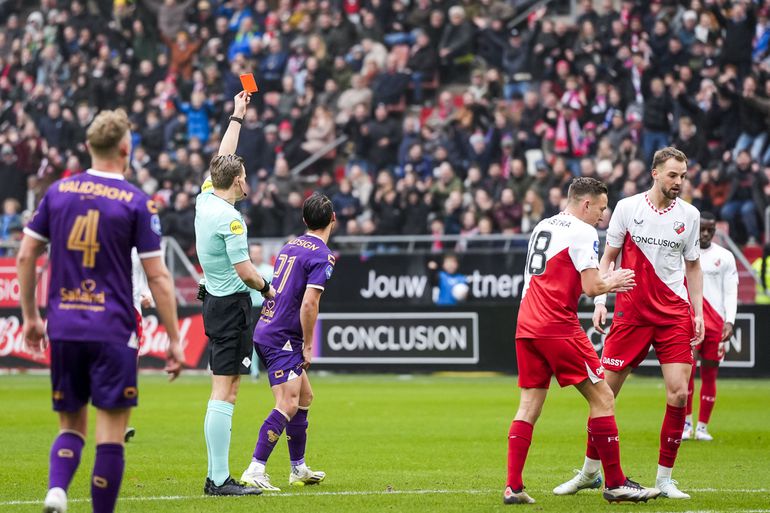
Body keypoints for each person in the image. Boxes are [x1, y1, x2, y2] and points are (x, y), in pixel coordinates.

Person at [17, 109, 185, 513]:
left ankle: (57, 491)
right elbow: (159, 277)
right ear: (126, 148)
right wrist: (175, 338)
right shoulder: (137, 202)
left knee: (71, 425)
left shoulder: (57, 193)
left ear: (89, 146)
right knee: (110, 433)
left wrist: (31, 317)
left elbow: (26, 255)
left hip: (65, 325)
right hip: (113, 328)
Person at [554, 147, 703, 500]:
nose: (678, 182)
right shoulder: (627, 208)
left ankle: (665, 479)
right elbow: (607, 257)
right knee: (604, 394)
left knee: (679, 392)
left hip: (673, 314)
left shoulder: (690, 215)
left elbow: (693, 267)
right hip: (631, 315)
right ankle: (590, 472)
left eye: (682, 176)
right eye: (672, 175)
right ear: (654, 173)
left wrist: (696, 311)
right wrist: (601, 301)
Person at [505, 177, 659, 505]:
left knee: (528, 406)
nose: (603, 216)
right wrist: (612, 281)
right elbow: (591, 287)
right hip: (556, 325)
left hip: (526, 324)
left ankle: (513, 487)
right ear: (586, 204)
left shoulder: (543, 225)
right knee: (603, 397)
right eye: (601, 208)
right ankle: (616, 483)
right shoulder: (583, 231)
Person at [195, 91, 275, 497]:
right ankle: (219, 479)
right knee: (226, 390)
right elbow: (246, 272)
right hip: (231, 307)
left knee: (220, 388)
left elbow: (222, 159)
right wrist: (270, 288)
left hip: (213, 301)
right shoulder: (231, 220)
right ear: (238, 181)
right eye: (244, 174)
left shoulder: (205, 198)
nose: (247, 178)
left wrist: (236, 118)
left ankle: (216, 475)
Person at [240, 193, 336, 491]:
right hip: (282, 337)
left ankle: (298, 468)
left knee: (304, 398)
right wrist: (308, 345)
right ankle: (255, 468)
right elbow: (309, 304)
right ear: (333, 218)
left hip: (268, 327)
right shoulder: (322, 255)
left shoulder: (290, 245)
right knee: (288, 403)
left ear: (305, 220)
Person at [683, 212, 738, 441]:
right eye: (702, 229)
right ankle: (686, 424)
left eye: (710, 230)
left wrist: (730, 320)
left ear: (715, 231)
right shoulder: (684, 254)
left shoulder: (724, 256)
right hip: (690, 320)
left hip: (716, 322)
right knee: (685, 373)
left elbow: (730, 290)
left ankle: (703, 427)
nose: (706, 234)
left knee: (710, 374)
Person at [249, 243, 274, 380]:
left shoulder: (270, 270)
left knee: (269, 338)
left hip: (267, 307)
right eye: (253, 252)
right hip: (252, 308)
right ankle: (254, 370)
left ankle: (272, 368)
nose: (256, 255)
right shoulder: (247, 270)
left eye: (258, 252)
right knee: (253, 339)